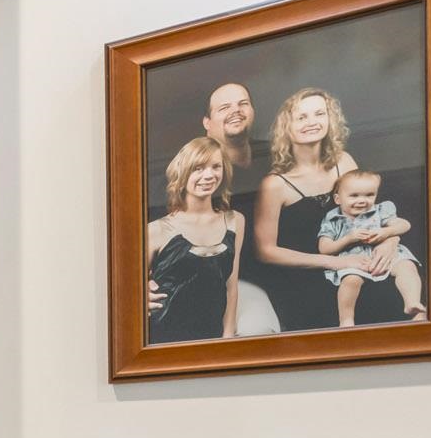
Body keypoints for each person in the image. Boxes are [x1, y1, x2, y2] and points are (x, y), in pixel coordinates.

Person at [248, 86, 387, 332]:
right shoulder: (275, 184)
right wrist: (334, 263)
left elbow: (374, 215)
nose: (312, 122)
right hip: (305, 282)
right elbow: (266, 251)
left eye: (319, 114)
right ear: (287, 127)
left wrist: (389, 243)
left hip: (355, 266)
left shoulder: (344, 162)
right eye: (302, 117)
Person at [148, 82, 280, 335]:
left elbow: (231, 284)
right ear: (207, 122)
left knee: (257, 330)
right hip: (183, 300)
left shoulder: (274, 159)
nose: (236, 111)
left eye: (243, 104)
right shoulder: (166, 197)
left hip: (250, 283)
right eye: (224, 107)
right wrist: (138, 288)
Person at [144, 137, 242, 344]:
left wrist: (228, 339)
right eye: (198, 168)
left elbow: (231, 286)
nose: (209, 175)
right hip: (163, 337)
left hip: (211, 337)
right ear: (183, 173)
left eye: (216, 167)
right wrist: (138, 295)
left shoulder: (235, 221)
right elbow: (123, 287)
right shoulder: (155, 230)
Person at [315, 167, 424, 325]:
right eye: (354, 196)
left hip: (386, 255)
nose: (362, 200)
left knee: (407, 267)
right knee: (350, 281)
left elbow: (404, 224)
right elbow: (324, 248)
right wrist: (348, 238)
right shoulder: (333, 218)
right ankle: (346, 320)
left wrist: (386, 232)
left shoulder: (380, 210)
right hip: (354, 260)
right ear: (338, 199)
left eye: (369, 195)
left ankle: (413, 304)